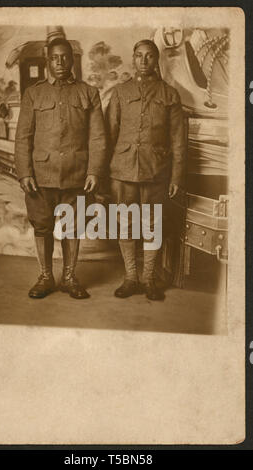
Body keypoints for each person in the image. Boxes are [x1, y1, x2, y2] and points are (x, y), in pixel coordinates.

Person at [15, 38, 106, 299]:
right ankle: (46, 277)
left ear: (72, 60)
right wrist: (25, 173)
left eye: (65, 57)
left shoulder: (88, 92)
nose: (60, 62)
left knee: (73, 228)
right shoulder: (34, 93)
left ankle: (69, 277)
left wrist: (94, 171)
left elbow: (98, 137)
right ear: (48, 61)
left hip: (77, 176)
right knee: (42, 227)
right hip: (41, 177)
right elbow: (23, 137)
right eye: (55, 58)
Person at [105, 39, 186, 300]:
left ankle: (149, 278)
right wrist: (105, 174)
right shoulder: (119, 92)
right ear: (133, 58)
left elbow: (178, 140)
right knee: (126, 225)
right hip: (123, 171)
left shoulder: (169, 94)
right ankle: (131, 278)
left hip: (157, 170)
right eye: (139, 55)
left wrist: (176, 176)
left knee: (152, 225)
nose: (143, 61)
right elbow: (109, 135)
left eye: (149, 56)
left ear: (156, 60)